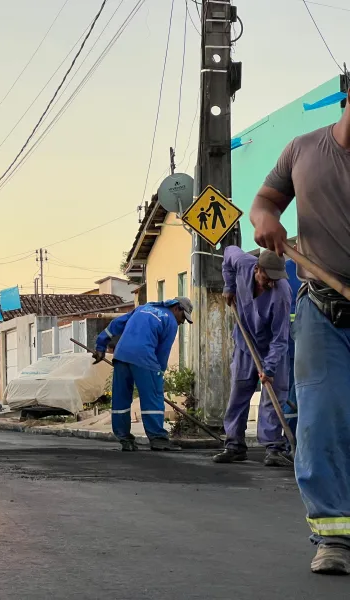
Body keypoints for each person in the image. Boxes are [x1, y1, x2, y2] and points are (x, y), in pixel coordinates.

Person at [250, 102, 350, 574]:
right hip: (323, 313)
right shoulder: (303, 150)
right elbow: (264, 202)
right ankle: (334, 537)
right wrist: (264, 217)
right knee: (322, 421)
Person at [212, 246, 292, 467]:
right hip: (245, 343)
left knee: (273, 396)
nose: (270, 283)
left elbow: (280, 337)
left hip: (273, 349)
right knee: (239, 393)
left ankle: (275, 448)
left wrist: (269, 368)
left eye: (275, 279)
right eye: (267, 277)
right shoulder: (244, 262)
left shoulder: (281, 293)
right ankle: (234, 445)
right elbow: (228, 251)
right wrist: (229, 286)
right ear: (257, 269)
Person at [94, 297, 193, 452]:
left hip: (121, 355)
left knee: (121, 399)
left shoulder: (142, 309)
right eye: (183, 317)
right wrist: (159, 373)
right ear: (176, 308)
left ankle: (125, 439)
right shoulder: (171, 321)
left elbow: (115, 325)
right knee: (153, 398)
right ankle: (158, 440)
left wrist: (101, 346)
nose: (182, 322)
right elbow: (163, 352)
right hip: (144, 357)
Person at [283, 256, 300, 457]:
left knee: (292, 393)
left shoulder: (288, 269)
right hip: (292, 341)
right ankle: (291, 443)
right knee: (292, 393)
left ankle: (291, 443)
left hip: (291, 342)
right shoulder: (288, 269)